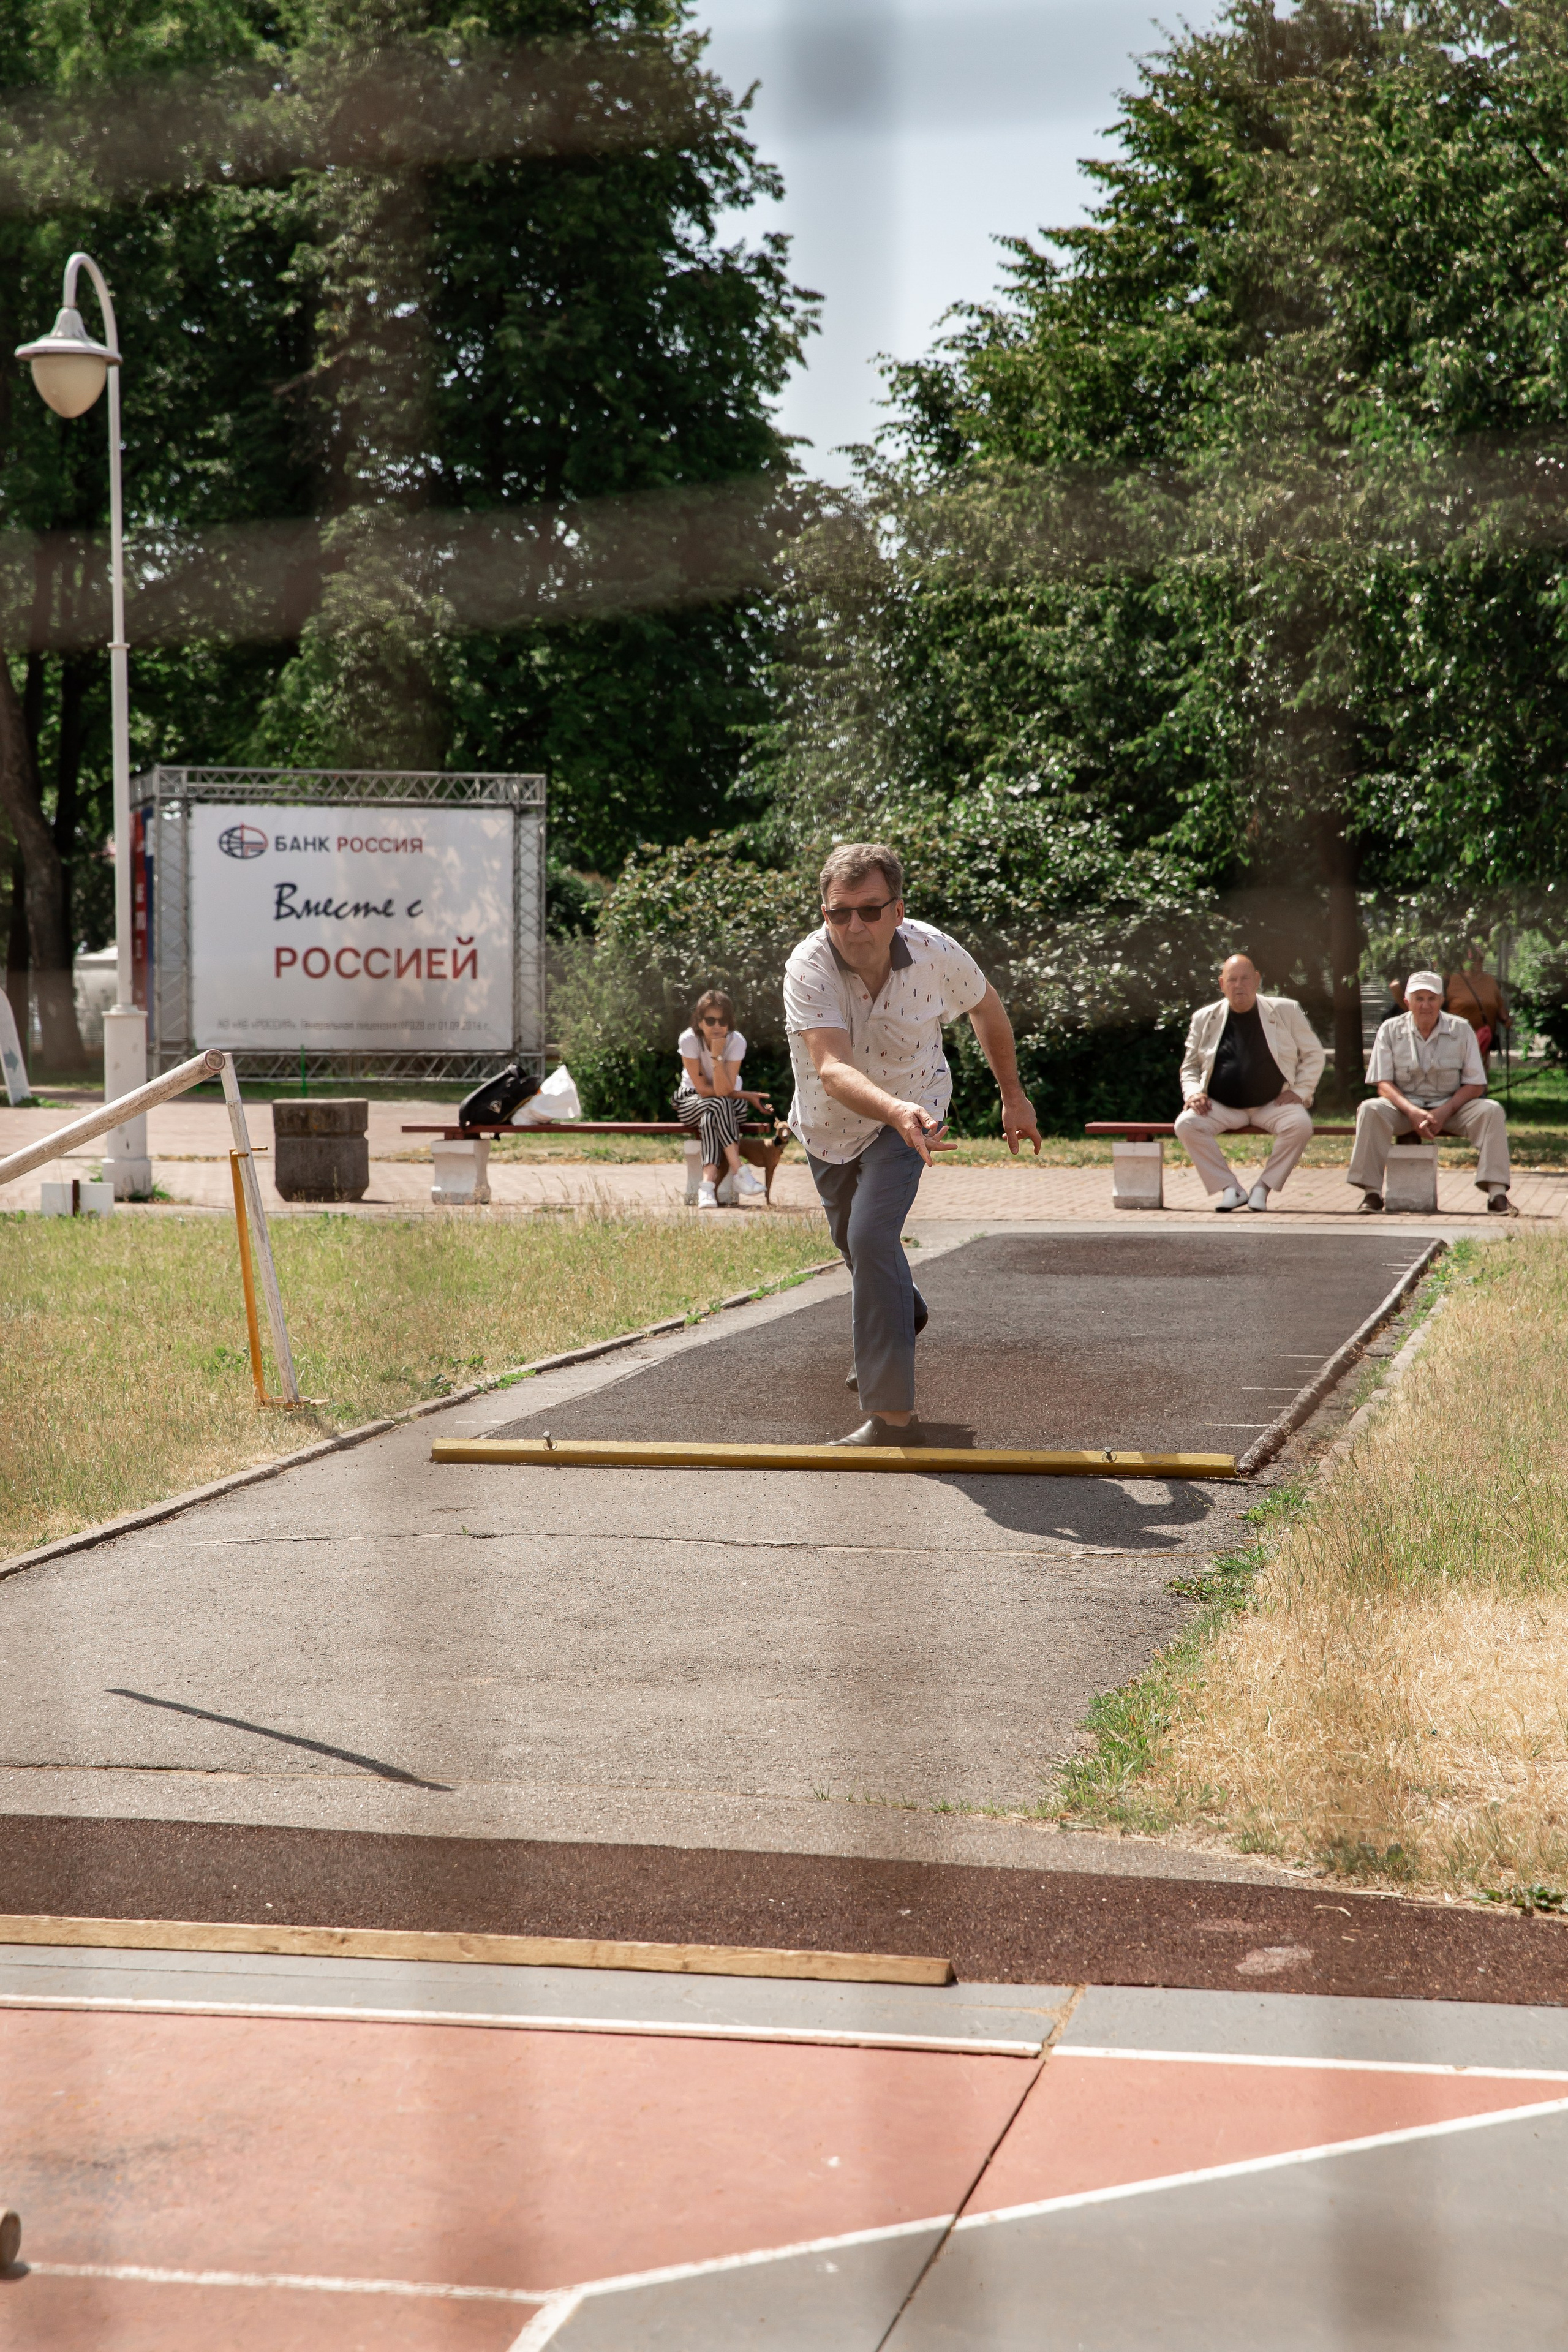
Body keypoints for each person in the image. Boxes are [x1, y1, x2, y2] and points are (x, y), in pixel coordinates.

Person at [783, 841, 1042, 1447]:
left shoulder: (934, 952)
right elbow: (831, 1068)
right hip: (831, 1121)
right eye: (838, 912)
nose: (853, 925)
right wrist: (890, 1108)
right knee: (854, 1244)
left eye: (869, 910)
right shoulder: (808, 967)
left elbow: (985, 1007)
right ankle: (905, 1306)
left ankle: (891, 1418)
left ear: (898, 910)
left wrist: (1012, 1096)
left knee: (871, 1237)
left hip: (915, 1115)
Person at [1350, 970, 1514, 1215]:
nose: (1425, 1004)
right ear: (1407, 1002)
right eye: (1419, 998)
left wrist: (1445, 1111)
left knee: (1491, 1110)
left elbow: (1476, 1085)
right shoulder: (1389, 1030)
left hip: (1452, 1107)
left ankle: (1497, 1194)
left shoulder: (1462, 1029)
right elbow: (1382, 1083)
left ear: (1442, 1001)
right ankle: (1371, 1193)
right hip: (1404, 1109)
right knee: (1370, 1109)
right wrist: (1413, 1112)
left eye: (1431, 998)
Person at [1175, 956, 1327, 1211]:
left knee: (1300, 1124)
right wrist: (1192, 1094)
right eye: (1232, 980)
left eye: (1245, 978)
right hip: (1220, 1106)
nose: (1239, 985)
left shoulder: (1285, 1010)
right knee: (1187, 1124)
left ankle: (1262, 1188)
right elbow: (1190, 1066)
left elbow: (1314, 1054)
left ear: (1257, 980)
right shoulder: (1204, 1018)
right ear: (1222, 984)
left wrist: (1300, 1092)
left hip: (1273, 1103)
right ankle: (1231, 1189)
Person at [676, 989, 772, 1210]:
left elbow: (723, 1089)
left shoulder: (736, 1041)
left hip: (728, 1104)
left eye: (723, 1020)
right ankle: (740, 1171)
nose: (717, 1026)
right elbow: (701, 1089)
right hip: (692, 1101)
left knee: (713, 1117)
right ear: (700, 1022)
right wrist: (746, 1095)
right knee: (719, 1104)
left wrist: (717, 1055)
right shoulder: (689, 1040)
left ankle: (707, 1189)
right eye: (710, 1020)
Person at [1443, 948, 1510, 1067]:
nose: (1477, 962)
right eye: (1473, 959)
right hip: (1457, 1041)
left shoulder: (1490, 981)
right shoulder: (1452, 980)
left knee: (1480, 1076)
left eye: (1480, 959)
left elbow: (1499, 1006)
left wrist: (1506, 1020)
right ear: (1464, 961)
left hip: (1483, 1040)